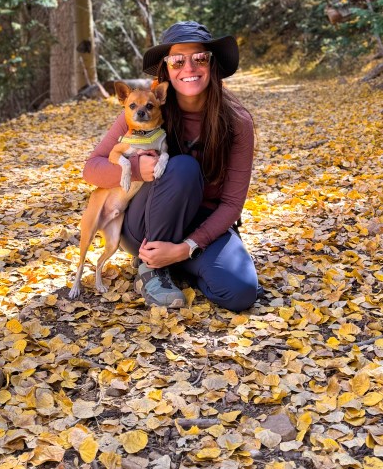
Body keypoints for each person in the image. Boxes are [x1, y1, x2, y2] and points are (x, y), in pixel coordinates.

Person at [82, 21, 258, 311]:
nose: (188, 67)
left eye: (199, 58)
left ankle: (175, 262)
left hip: (201, 222)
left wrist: (185, 248)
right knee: (184, 168)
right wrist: (138, 170)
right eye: (178, 60)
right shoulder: (145, 107)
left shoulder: (237, 121)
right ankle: (152, 266)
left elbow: (231, 205)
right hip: (145, 222)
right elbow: (92, 168)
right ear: (166, 69)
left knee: (239, 292)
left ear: (211, 65)